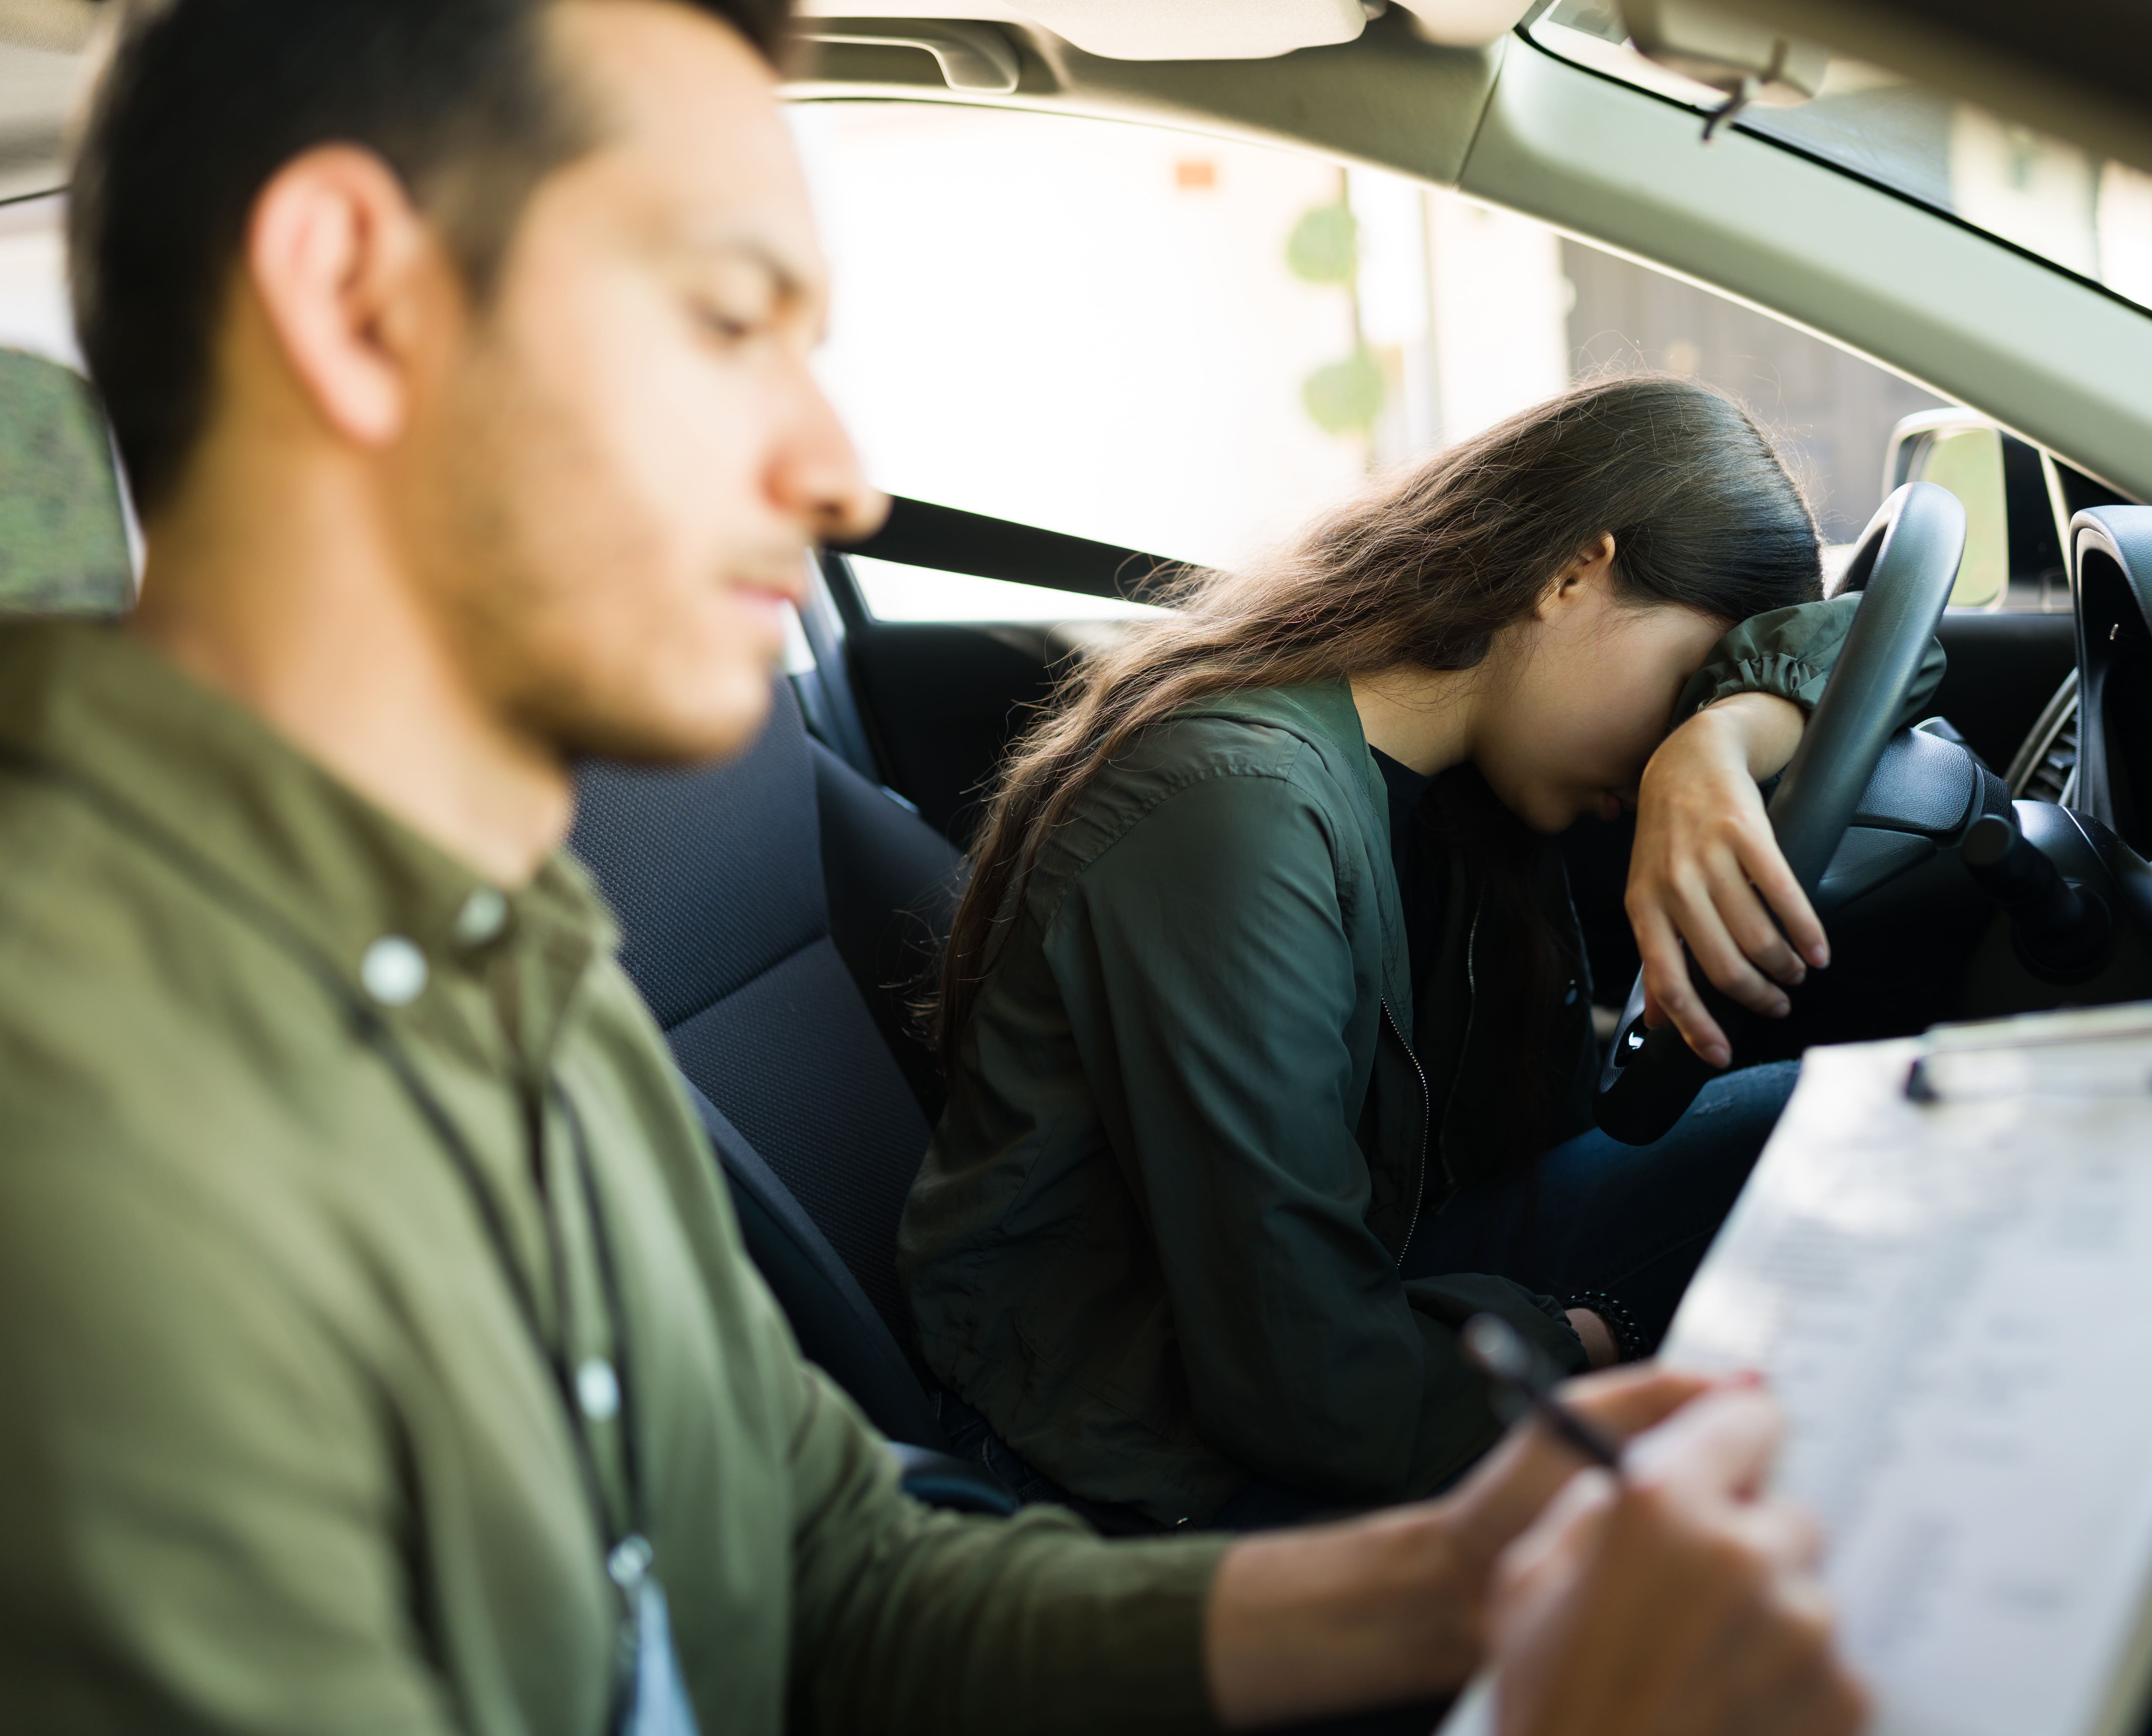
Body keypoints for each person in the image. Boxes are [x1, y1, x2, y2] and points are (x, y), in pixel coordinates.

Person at [0, 0, 1868, 1731]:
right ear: (359, 300)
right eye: (730, 323)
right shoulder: (89, 1153)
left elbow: (836, 1574)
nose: (839, 474)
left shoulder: (514, 966)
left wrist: (1450, 1590)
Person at [902, 377, 1944, 1530]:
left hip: (1339, 1308)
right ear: (1571, 574)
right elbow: (1302, 1378)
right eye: (1683, 683)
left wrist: (1719, 737)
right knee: (1816, 1157)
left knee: (1833, 1130)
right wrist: (1578, 1345)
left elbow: (1891, 644)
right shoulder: (1236, 805)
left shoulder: (1462, 790)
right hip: (1135, 1454)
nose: (1668, 734)